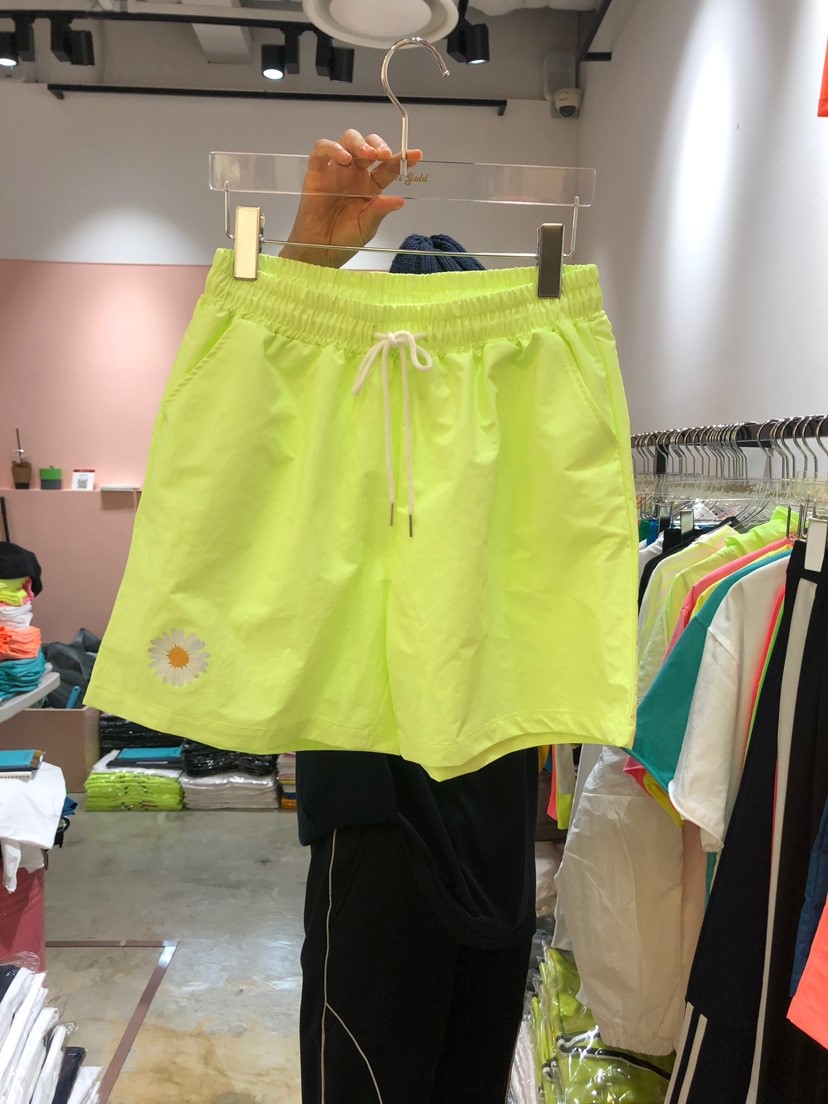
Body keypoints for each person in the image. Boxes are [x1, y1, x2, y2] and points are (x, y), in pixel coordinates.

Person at [287, 130, 538, 1104]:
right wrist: (306, 263)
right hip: (386, 816)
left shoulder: (513, 462)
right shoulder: (346, 443)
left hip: (485, 818)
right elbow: (261, 417)